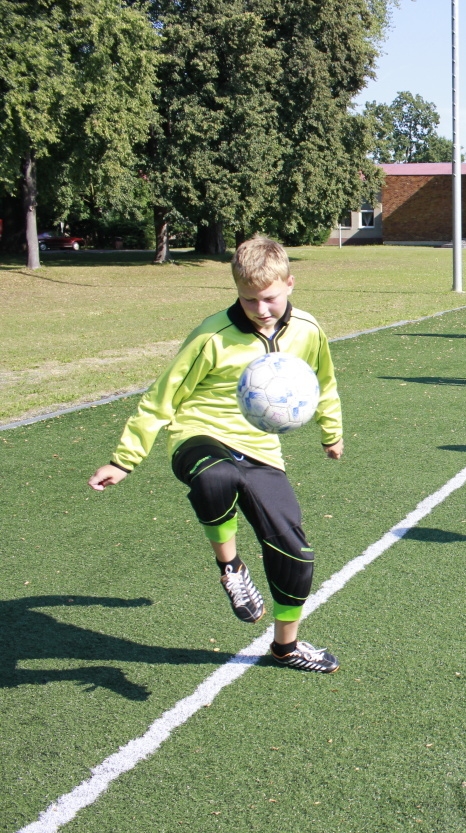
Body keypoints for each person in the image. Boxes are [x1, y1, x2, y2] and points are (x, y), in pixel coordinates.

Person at [88, 236, 344, 671]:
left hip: (261, 448)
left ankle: (286, 645)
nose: (261, 309)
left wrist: (331, 432)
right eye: (249, 300)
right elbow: (161, 398)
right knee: (217, 478)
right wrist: (124, 459)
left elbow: (323, 382)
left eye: (270, 298)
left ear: (290, 284)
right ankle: (232, 569)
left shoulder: (308, 330)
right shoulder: (212, 336)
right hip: (198, 436)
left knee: (295, 554)